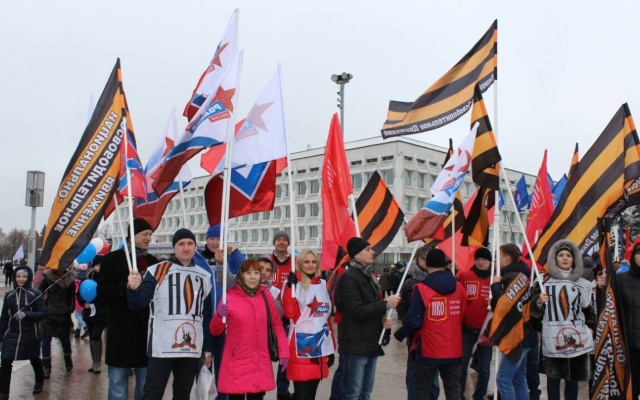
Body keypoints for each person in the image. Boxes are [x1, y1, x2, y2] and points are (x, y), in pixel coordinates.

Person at [127, 228, 214, 399]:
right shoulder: (158, 270)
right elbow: (137, 303)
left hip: (190, 348)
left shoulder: (204, 276)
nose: (186, 248)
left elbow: (206, 316)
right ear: (174, 247)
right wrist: (132, 287)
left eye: (190, 243)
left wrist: (208, 348)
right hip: (162, 347)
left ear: (195, 247)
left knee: (182, 394)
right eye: (181, 244)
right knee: (152, 394)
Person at [97, 218, 159, 400]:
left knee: (145, 382)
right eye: (144, 234)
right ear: (132, 235)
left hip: (145, 331)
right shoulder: (112, 259)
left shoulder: (153, 262)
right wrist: (125, 287)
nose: (148, 238)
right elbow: (102, 292)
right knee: (117, 381)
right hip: (120, 329)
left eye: (150, 234)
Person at [394, 248, 467, 399]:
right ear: (445, 265)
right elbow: (462, 313)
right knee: (453, 390)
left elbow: (415, 321)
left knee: (421, 390)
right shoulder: (459, 287)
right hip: (453, 347)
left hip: (429, 348)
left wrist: (400, 334)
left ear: (427, 264)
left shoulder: (421, 289)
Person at [210, 259, 289, 400]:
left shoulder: (265, 295)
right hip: (236, 363)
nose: (253, 277)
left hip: (259, 363)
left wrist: (284, 352)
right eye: (248, 273)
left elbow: (277, 325)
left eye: (256, 273)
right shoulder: (229, 297)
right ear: (241, 275)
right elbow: (215, 331)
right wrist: (218, 316)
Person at [334, 237, 400, 400]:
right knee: (352, 393)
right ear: (356, 255)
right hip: (355, 345)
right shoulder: (349, 278)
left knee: (365, 392)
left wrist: (382, 322)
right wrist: (385, 303)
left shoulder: (368, 277)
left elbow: (370, 308)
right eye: (368, 249)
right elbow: (356, 311)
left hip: (370, 342)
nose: (373, 252)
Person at [538, 239, 595, 400]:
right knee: (553, 380)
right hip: (552, 340)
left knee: (572, 381)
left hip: (577, 338)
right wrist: (539, 302)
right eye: (561, 255)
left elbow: (589, 310)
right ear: (554, 258)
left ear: (574, 259)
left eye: (568, 255)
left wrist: (591, 328)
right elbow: (533, 313)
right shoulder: (542, 282)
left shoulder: (584, 284)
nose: (564, 258)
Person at [491, 244, 544, 400]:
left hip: (517, 337)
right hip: (526, 335)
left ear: (507, 259)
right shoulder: (523, 275)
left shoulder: (512, 277)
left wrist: (495, 286)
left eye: (498, 257)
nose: (496, 260)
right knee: (518, 379)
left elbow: (504, 305)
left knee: (503, 379)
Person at [199, 224, 245, 400]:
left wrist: (234, 251)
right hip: (203, 324)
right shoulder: (198, 258)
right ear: (206, 240)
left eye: (219, 239)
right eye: (212, 238)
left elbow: (244, 269)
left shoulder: (230, 259)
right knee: (204, 372)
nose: (215, 242)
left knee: (224, 373)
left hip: (225, 325)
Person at [282, 249, 336, 399]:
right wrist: (289, 288)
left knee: (311, 395)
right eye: (306, 262)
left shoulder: (322, 284)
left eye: (313, 262)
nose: (310, 265)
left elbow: (326, 319)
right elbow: (289, 314)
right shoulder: (293, 285)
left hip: (320, 345)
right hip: (301, 345)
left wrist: (331, 347)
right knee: (302, 395)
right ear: (299, 264)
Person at [396, 245, 439, 400]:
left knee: (432, 375)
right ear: (419, 260)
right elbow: (403, 307)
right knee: (414, 372)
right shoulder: (411, 282)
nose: (428, 263)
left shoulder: (435, 280)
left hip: (433, 334)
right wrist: (408, 324)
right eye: (425, 259)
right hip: (416, 334)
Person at [0, 266, 46, 398]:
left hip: (30, 334)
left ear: (29, 277)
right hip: (11, 334)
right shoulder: (9, 295)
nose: (21, 279)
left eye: (24, 276)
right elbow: (4, 318)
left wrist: (27, 314)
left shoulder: (36, 294)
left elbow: (42, 314)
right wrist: (1, 336)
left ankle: (39, 380)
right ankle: (3, 393)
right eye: (18, 276)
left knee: (34, 358)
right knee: (5, 361)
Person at [457, 247, 493, 400]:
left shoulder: (495, 279)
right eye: (478, 259)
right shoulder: (465, 275)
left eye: (484, 259)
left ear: (490, 261)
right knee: (462, 364)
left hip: (487, 330)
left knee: (484, 367)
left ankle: (479, 395)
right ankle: (459, 395)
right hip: (467, 328)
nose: (481, 262)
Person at [38, 266, 76, 377]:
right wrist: (43, 306)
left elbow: (72, 296)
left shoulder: (70, 277)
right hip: (49, 312)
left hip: (64, 314)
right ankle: (47, 367)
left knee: (64, 339)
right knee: (46, 339)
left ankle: (68, 359)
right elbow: (39, 292)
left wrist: (70, 309)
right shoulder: (48, 276)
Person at [270, 230, 294, 400]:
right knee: (263, 354)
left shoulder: (294, 263)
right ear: (274, 243)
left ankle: (282, 390)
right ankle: (258, 389)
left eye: (284, 240)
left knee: (285, 355)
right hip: (266, 314)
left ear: (288, 243)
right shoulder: (266, 261)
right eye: (278, 239)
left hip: (285, 316)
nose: (281, 242)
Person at [616, 242, 640, 398]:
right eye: (639, 253)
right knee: (632, 389)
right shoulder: (621, 279)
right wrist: (601, 287)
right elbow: (612, 307)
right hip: (631, 345)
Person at [80, 254, 108, 374]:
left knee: (96, 335)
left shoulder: (106, 279)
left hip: (101, 314)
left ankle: (97, 363)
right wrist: (83, 303)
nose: (99, 268)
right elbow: (80, 294)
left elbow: (107, 296)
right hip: (88, 313)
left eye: (102, 265)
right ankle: (94, 361)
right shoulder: (87, 279)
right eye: (98, 265)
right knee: (92, 336)